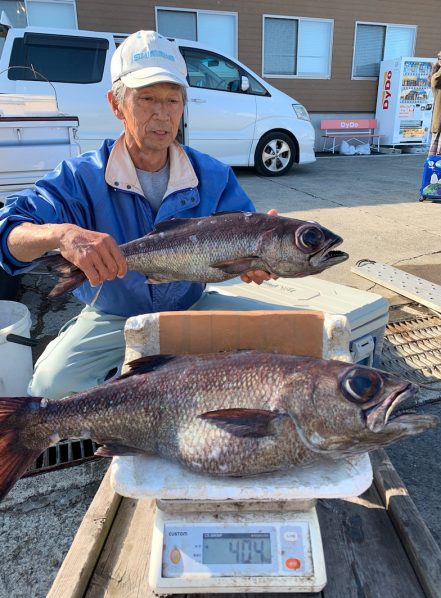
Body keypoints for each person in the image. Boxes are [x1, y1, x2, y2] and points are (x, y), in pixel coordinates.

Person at [0, 30, 275, 400]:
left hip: (191, 308)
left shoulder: (214, 175)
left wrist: (259, 258)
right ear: (117, 104)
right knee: (51, 388)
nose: (162, 114)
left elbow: (239, 251)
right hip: (113, 318)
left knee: (283, 338)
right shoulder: (81, 177)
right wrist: (61, 235)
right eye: (146, 99)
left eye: (173, 100)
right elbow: (10, 234)